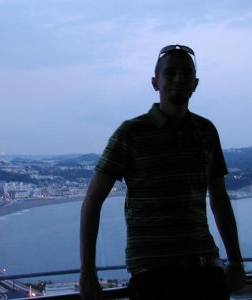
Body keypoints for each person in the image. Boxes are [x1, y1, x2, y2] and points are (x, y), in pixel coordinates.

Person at [79, 44, 246, 300]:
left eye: (186, 73)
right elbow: (92, 201)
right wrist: (88, 274)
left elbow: (220, 200)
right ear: (155, 82)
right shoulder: (130, 133)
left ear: (195, 83)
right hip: (152, 275)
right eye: (170, 73)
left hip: (205, 268)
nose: (179, 79)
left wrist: (235, 261)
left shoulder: (206, 131)